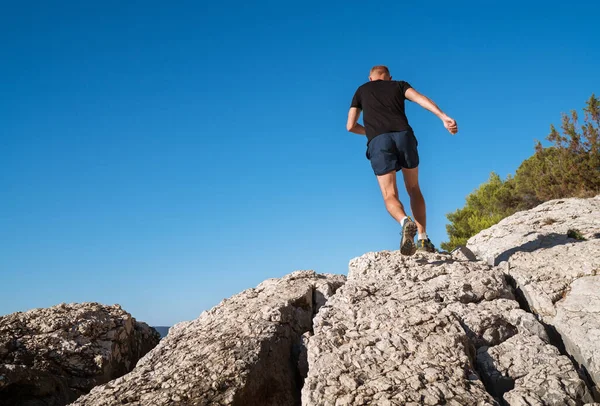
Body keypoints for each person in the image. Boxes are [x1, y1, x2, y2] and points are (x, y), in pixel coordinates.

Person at [346, 65, 458, 255]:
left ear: (370, 78)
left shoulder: (361, 90)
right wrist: (443, 117)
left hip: (378, 141)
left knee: (390, 194)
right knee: (414, 188)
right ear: (389, 77)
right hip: (404, 136)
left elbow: (350, 126)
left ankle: (404, 221)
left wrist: (372, 133)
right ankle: (423, 239)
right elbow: (421, 99)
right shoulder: (398, 85)